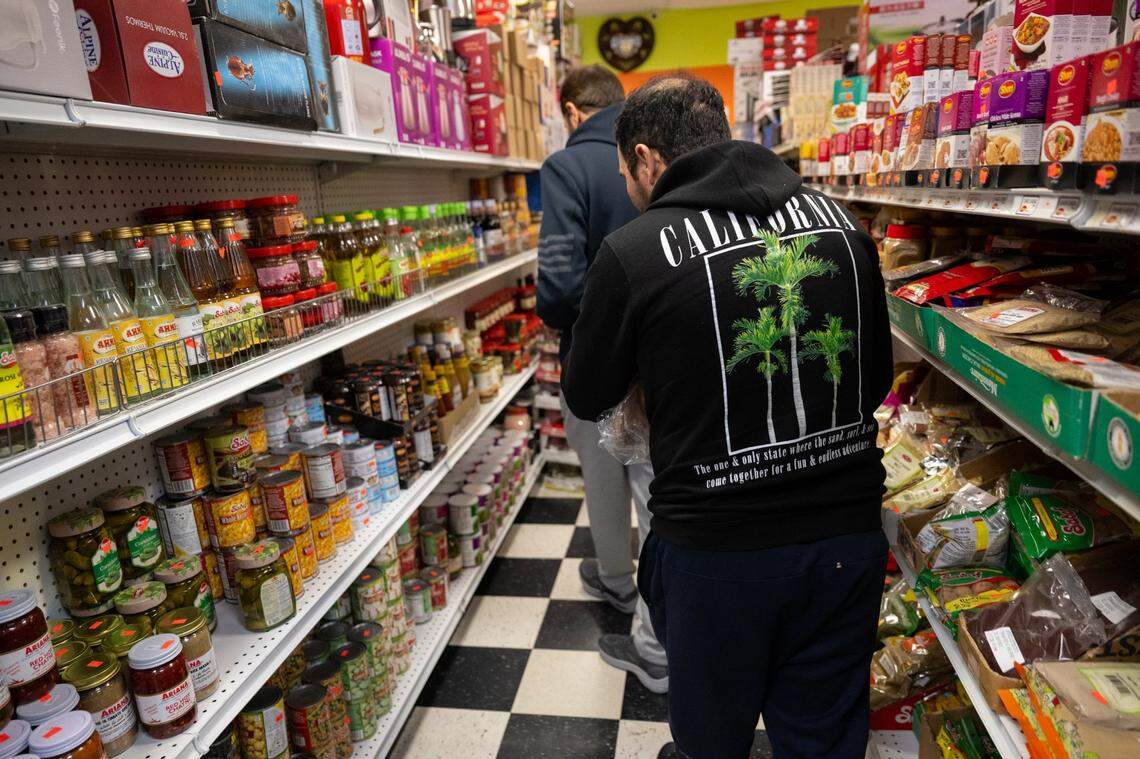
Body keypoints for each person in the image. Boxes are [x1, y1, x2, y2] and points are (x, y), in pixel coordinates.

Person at [561, 74, 893, 758]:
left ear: (647, 159)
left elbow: (587, 394)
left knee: (711, 738)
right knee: (826, 737)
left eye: (625, 172)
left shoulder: (633, 251)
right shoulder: (844, 227)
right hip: (845, 540)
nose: (626, 187)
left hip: (714, 551)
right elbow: (877, 378)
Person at [536, 64, 668, 694]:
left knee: (601, 474)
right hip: (661, 359)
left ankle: (618, 584)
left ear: (570, 111)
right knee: (653, 489)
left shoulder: (567, 167)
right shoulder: (655, 158)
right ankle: (659, 618)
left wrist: (576, 323)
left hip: (595, 361)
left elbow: (559, 286)